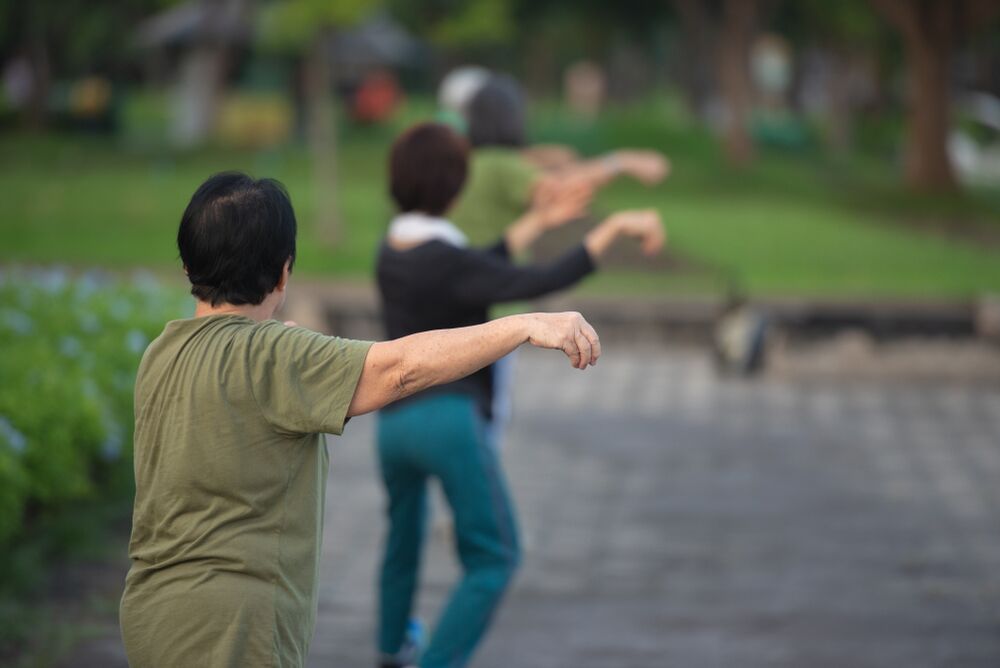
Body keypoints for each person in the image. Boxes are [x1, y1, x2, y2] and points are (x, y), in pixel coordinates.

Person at [118, 172, 604, 668]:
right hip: (231, 629)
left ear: (187, 265)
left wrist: (285, 347)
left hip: (150, 614)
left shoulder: (161, 354)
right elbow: (399, 369)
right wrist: (523, 324)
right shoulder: (276, 357)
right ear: (283, 274)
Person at [375, 123, 664, 668]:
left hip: (391, 427)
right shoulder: (451, 262)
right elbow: (532, 278)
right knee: (495, 556)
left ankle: (390, 652)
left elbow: (479, 267)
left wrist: (537, 221)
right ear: (455, 190)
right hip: (448, 421)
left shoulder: (392, 250)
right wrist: (612, 228)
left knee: (402, 547)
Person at [449, 73, 671, 247]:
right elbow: (564, 189)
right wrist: (622, 162)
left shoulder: (472, 159)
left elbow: (528, 159)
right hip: (497, 287)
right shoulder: (503, 164)